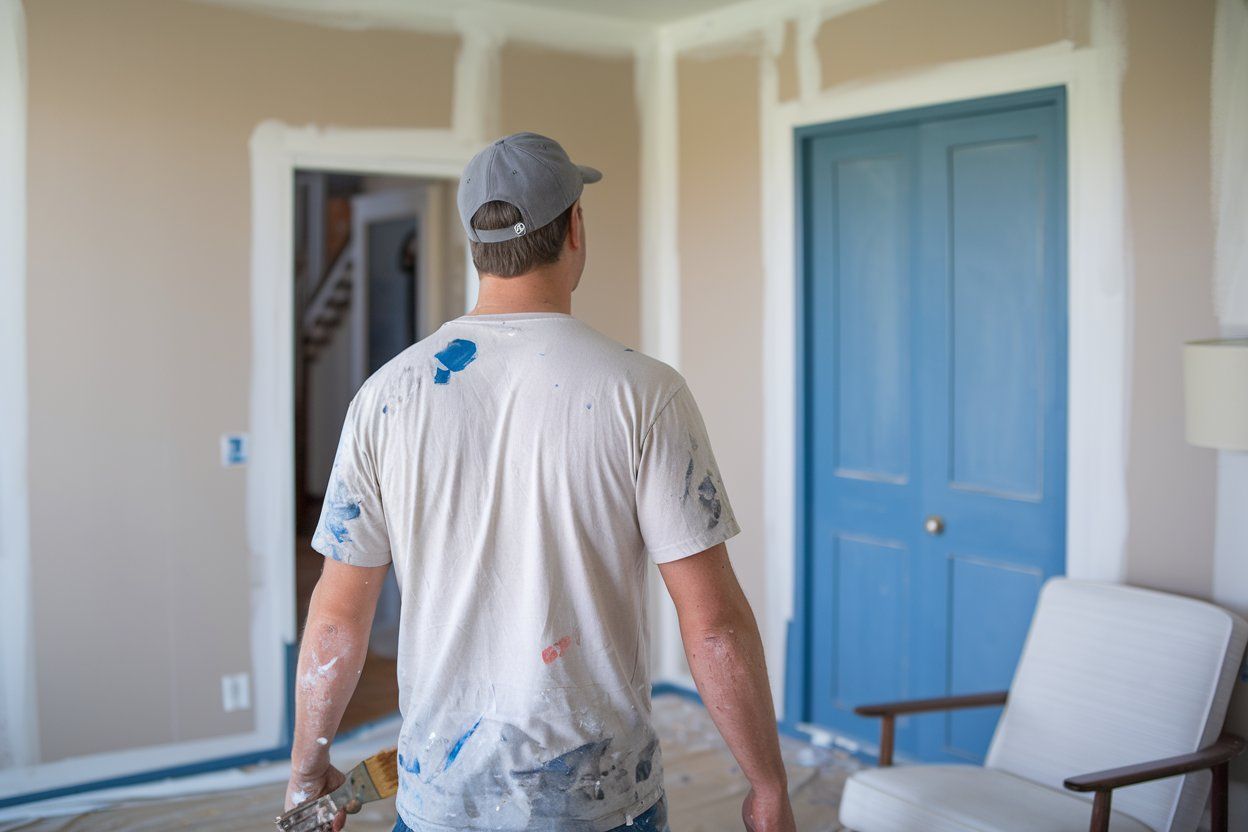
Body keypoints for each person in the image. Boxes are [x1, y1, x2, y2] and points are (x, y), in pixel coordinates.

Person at [284, 132, 796, 832]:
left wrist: (306, 771)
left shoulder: (386, 397)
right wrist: (767, 784)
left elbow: (337, 619)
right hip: (601, 802)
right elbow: (713, 626)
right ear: (575, 228)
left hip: (441, 804)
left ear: (474, 243)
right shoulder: (644, 393)